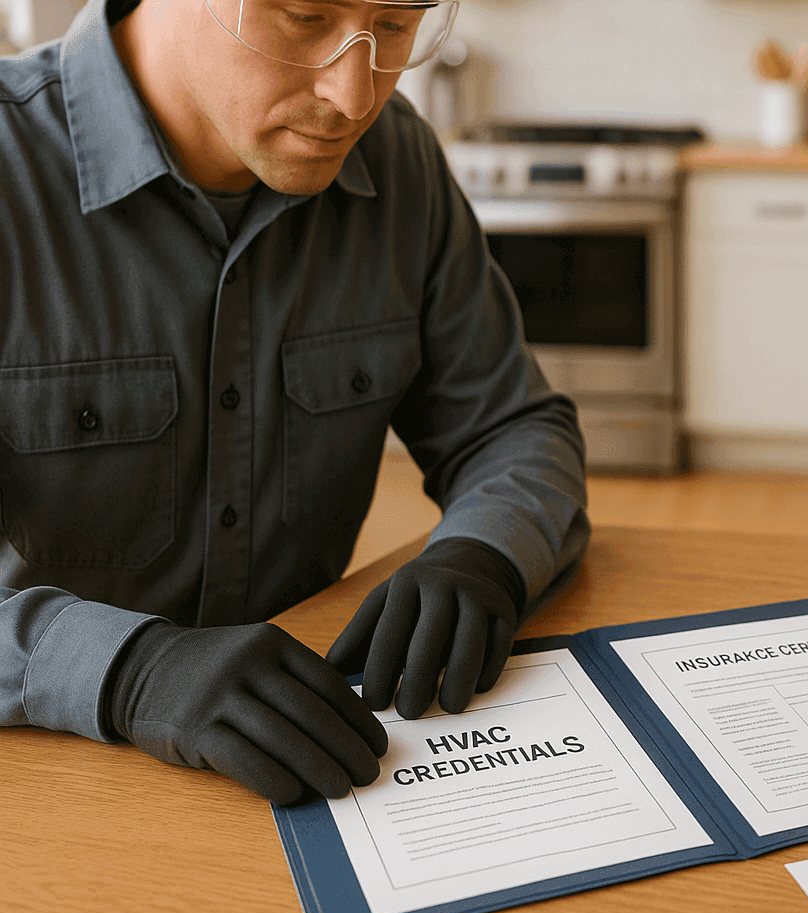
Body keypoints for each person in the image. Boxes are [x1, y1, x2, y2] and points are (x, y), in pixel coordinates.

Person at [0, 0, 589, 804]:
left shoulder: (398, 158)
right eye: (304, 15)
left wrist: (481, 554)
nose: (354, 93)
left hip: (311, 776)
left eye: (394, 25)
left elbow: (511, 425)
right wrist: (130, 670)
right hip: (50, 793)